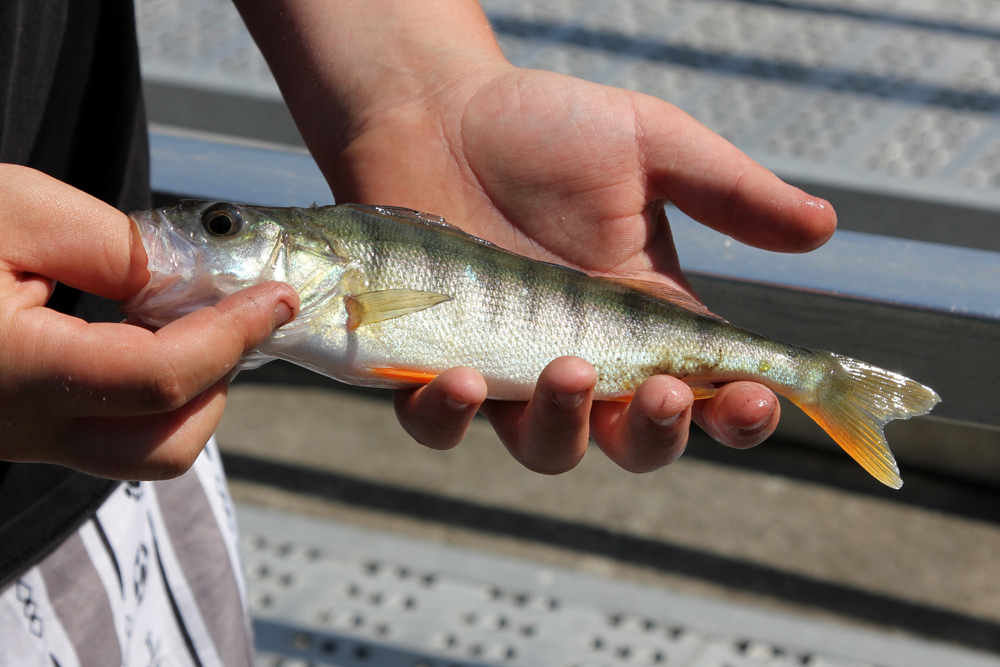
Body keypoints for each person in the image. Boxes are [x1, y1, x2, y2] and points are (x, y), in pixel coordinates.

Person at [0, 0, 836, 663]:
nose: (199, 233)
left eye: (221, 226)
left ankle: (821, 380)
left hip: (96, 490)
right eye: (221, 225)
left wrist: (425, 90)